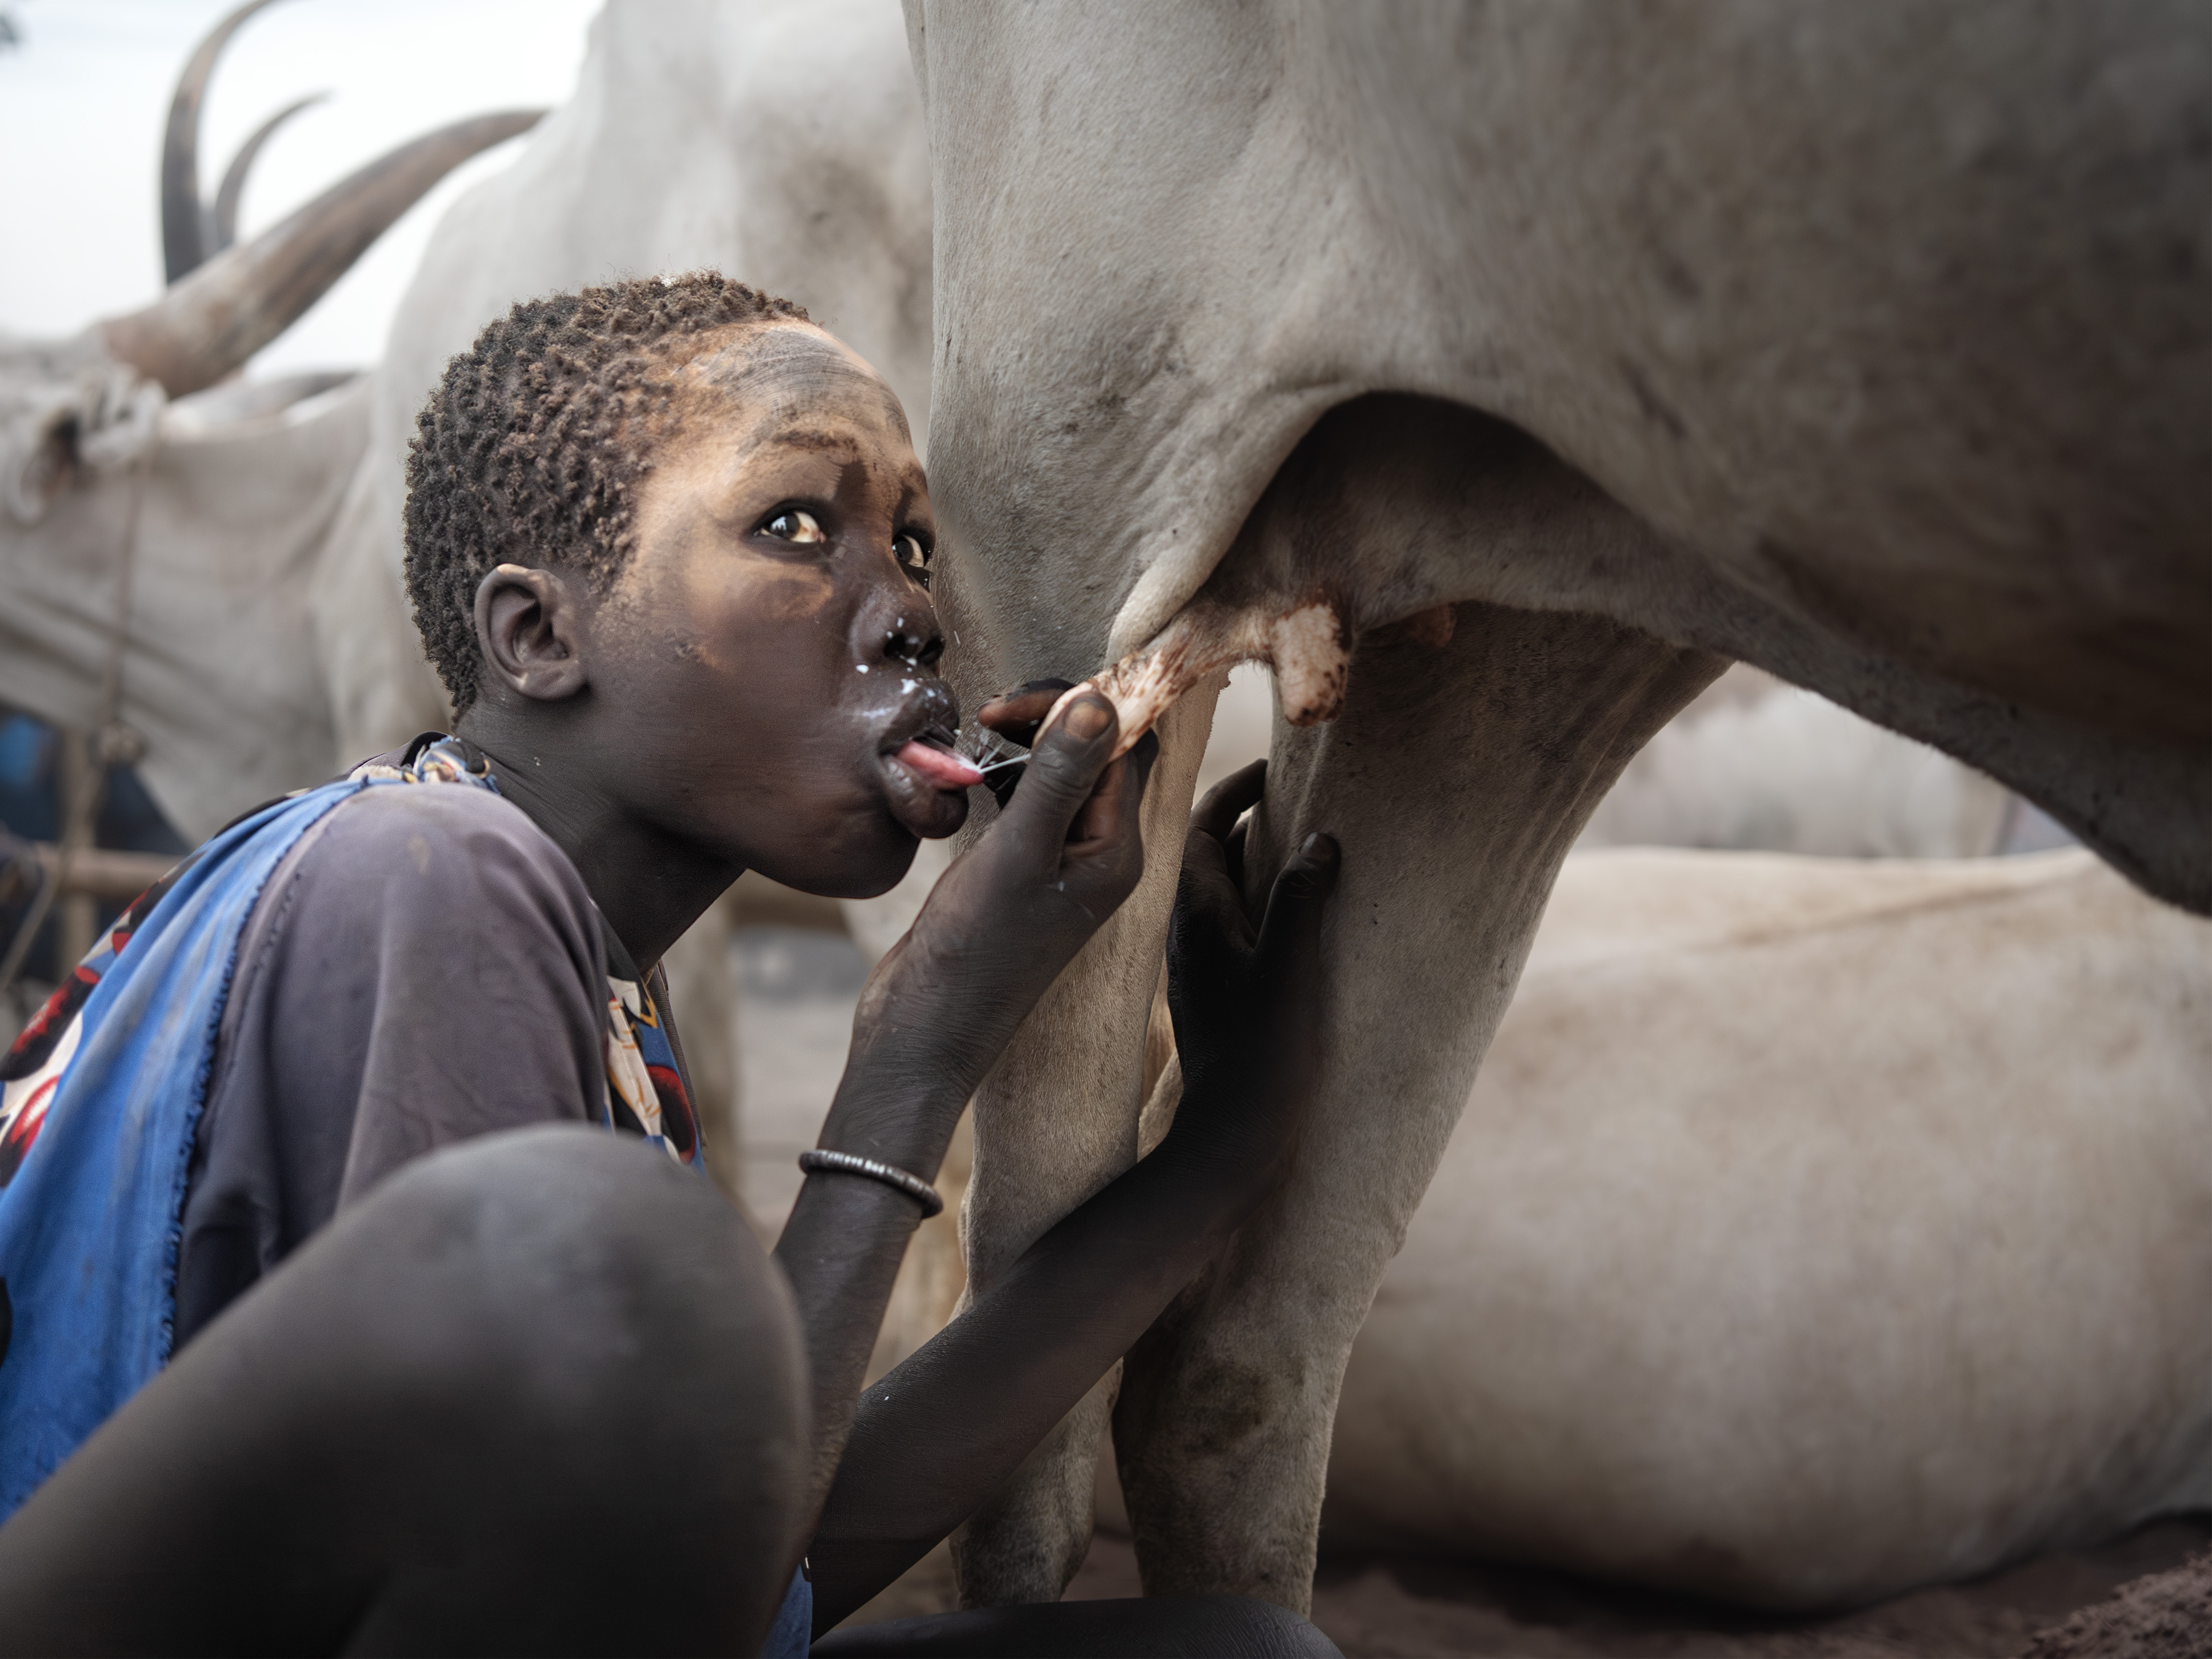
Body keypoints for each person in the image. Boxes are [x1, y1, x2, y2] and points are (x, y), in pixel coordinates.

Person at [0, 274, 1342, 1657]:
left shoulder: (590, 974)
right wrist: (918, 1041)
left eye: (912, 547)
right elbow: (627, 1606)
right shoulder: (429, 874)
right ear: (538, 636)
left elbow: (760, 1539)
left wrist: (1219, 1153)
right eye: (795, 526)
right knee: (630, 1253)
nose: (913, 613)